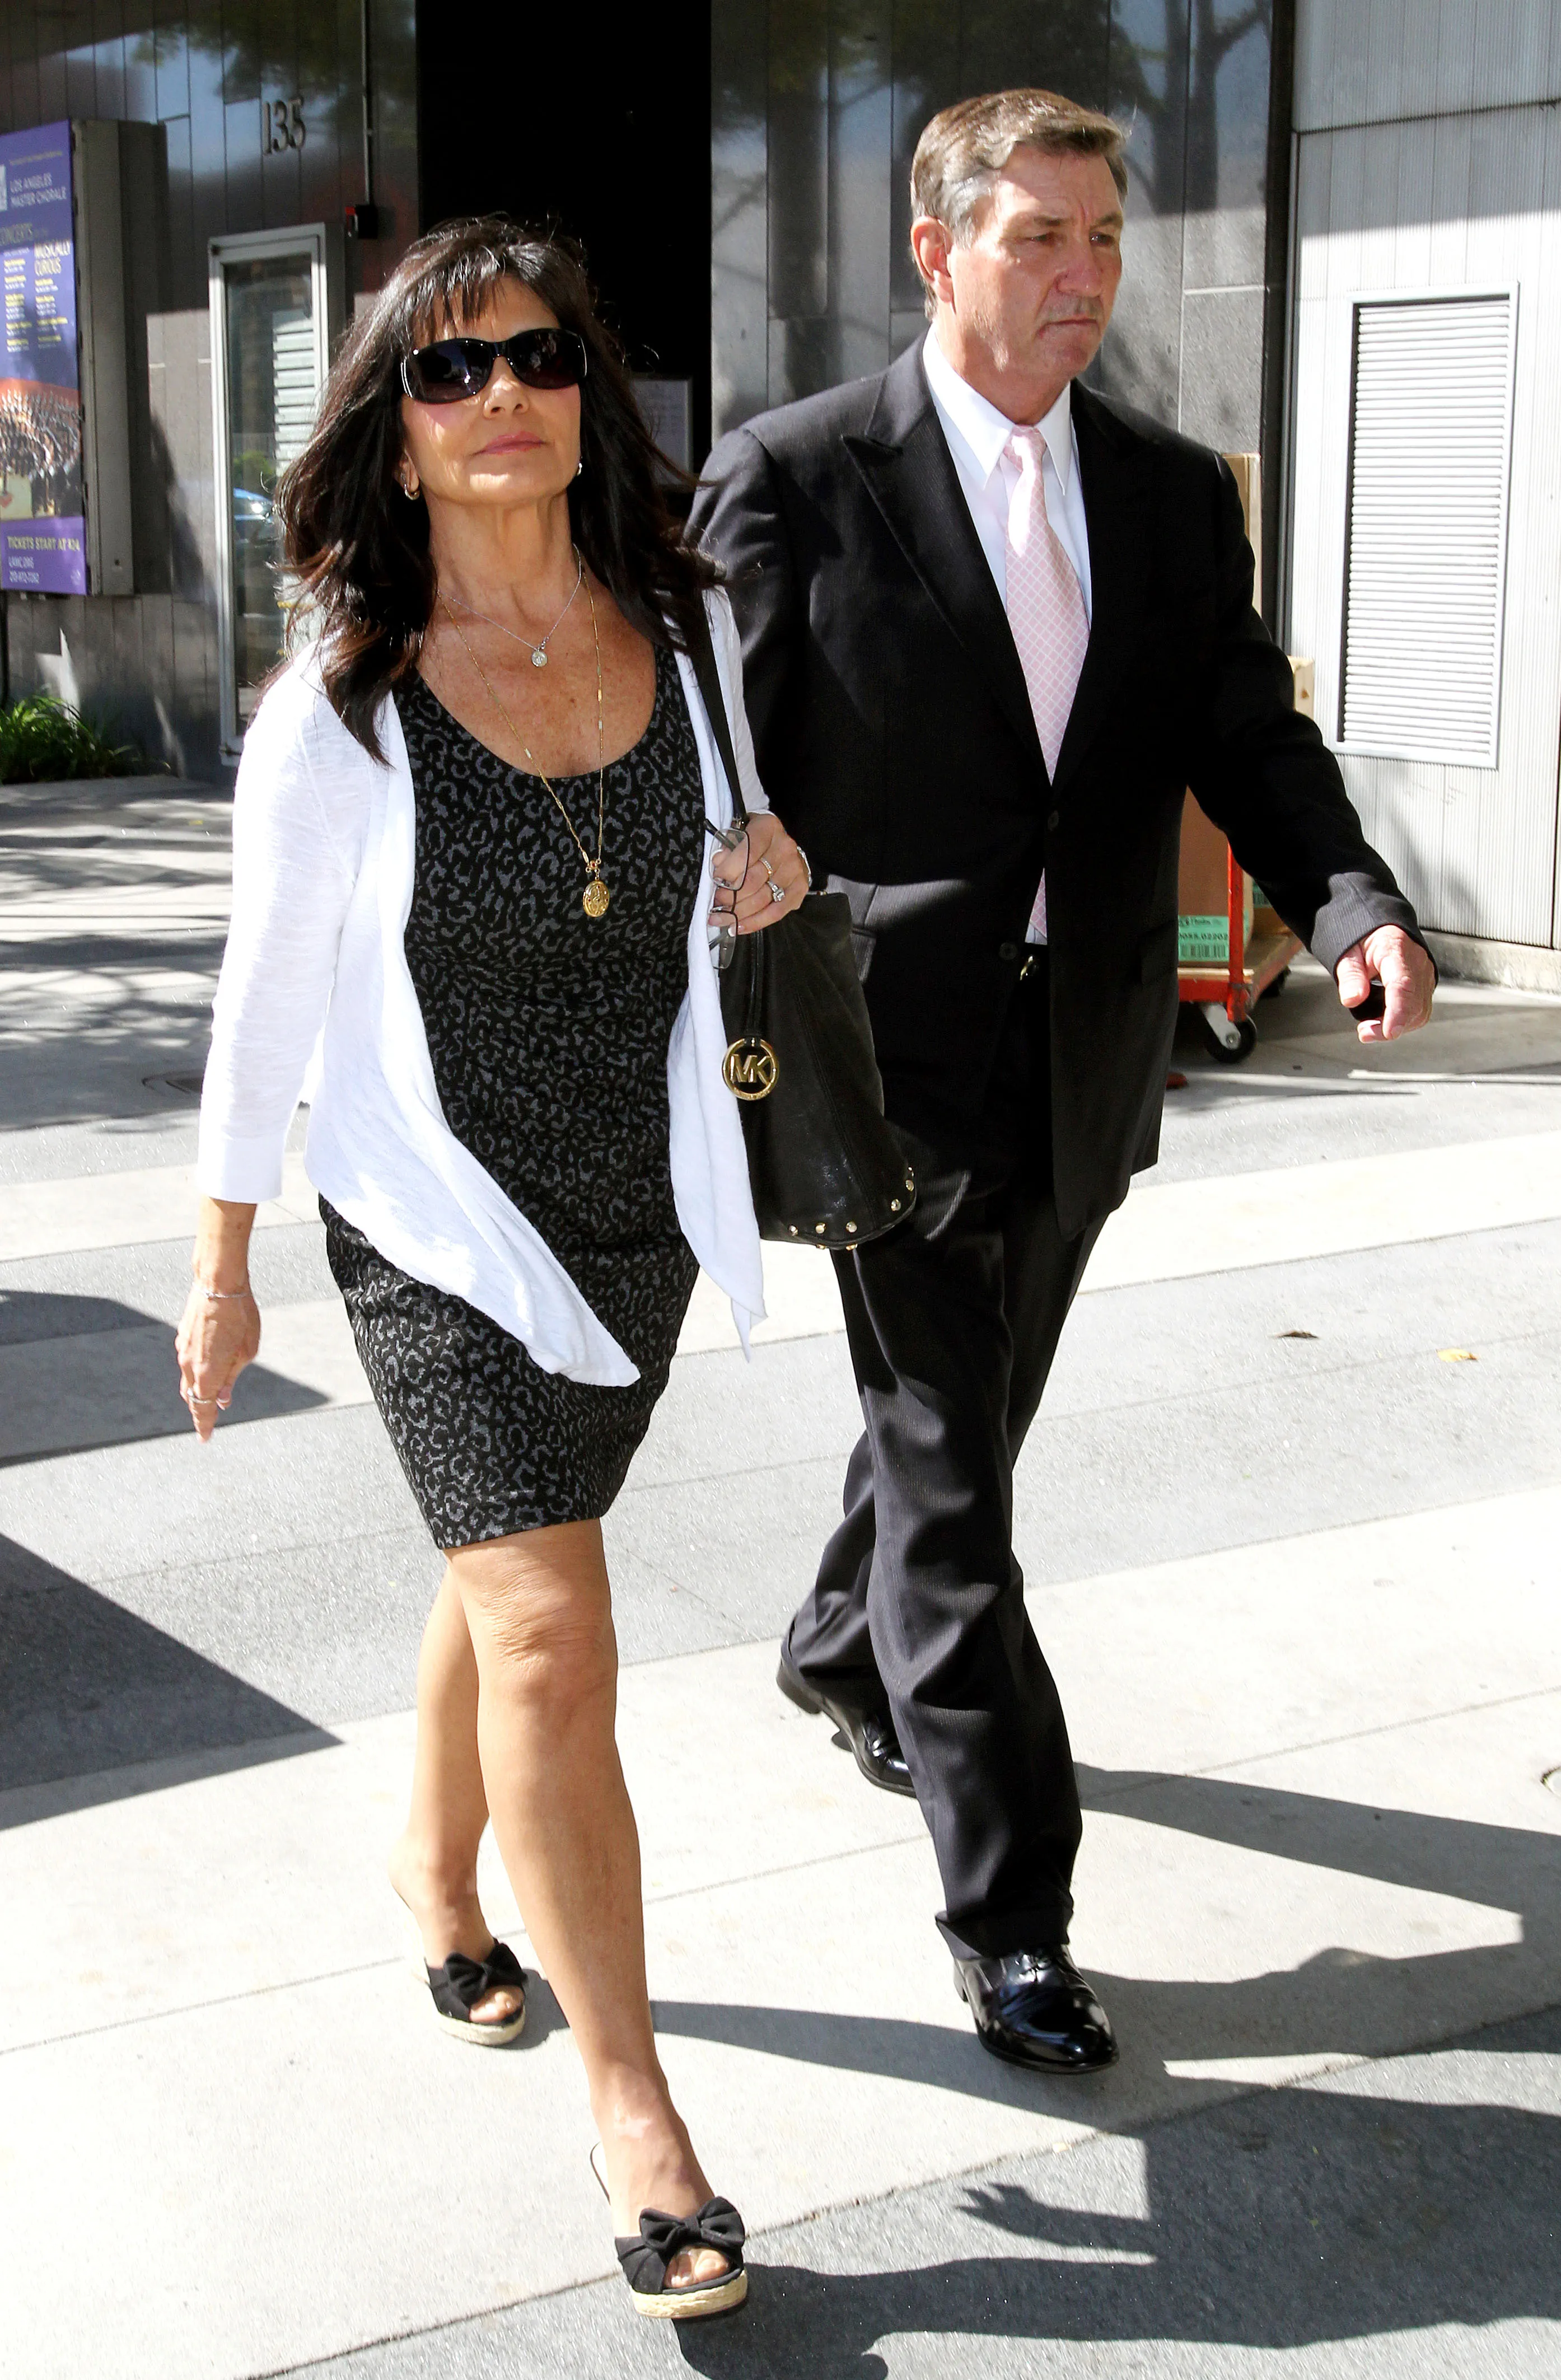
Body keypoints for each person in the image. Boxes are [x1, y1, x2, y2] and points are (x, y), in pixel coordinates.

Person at [690, 89, 1436, 2077]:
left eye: (1100, 240)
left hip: (1089, 1053)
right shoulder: (791, 481)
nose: (1081, 278)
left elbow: (1244, 736)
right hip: (882, 1063)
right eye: (1039, 238)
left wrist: (1348, 899)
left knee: (974, 1425)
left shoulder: (1175, 493)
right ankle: (1011, 1914)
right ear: (934, 252)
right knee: (957, 1485)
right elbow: (715, 782)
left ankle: (834, 1650)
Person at [177, 217, 807, 2320]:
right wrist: (223, 1262)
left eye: (536, 359)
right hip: (438, 1222)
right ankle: (638, 2114)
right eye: (449, 375)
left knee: (503, 1579)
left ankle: (433, 1876)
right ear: (395, 426)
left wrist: (768, 870)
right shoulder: (342, 702)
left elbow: (723, 871)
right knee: (551, 1628)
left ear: (582, 396)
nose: (501, 399)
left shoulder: (678, 626)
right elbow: (262, 1002)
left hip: (641, 1200)